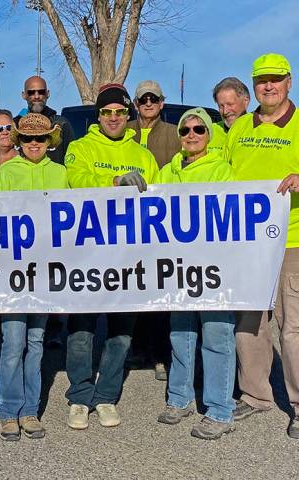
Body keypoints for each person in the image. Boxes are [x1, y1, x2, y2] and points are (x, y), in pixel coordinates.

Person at [64, 83, 158, 430]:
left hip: (127, 255)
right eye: (107, 112)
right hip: (87, 253)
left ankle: (105, 396)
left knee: (121, 332)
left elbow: (159, 196)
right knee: (82, 329)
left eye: (120, 112)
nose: (114, 118)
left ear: (128, 115)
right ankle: (79, 395)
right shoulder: (80, 147)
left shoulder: (143, 154)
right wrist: (116, 180)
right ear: (98, 115)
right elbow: (77, 181)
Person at [227, 53, 299, 439]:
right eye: (261, 80)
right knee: (250, 323)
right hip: (246, 244)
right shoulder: (239, 127)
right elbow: (219, 173)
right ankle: (256, 396)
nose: (268, 86)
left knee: (293, 328)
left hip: (291, 242)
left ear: (289, 82)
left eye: (275, 79)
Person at [155, 108, 237, 440]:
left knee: (217, 334)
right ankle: (180, 398)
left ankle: (219, 410)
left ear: (209, 134)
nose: (191, 135)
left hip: (213, 267)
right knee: (181, 332)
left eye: (199, 129)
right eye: (185, 130)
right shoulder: (169, 171)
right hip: (178, 267)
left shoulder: (222, 170)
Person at [0, 113, 68, 440]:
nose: (34, 144)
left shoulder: (60, 172)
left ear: (49, 141)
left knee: (36, 342)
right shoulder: (7, 171)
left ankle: (30, 410)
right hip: (13, 272)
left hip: (45, 273)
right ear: (19, 142)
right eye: (27, 139)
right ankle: (9, 410)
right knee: (13, 342)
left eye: (40, 139)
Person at [126, 80, 179, 380]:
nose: (148, 103)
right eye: (143, 98)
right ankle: (135, 349)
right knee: (132, 289)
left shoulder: (175, 134)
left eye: (153, 98)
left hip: (161, 225)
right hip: (126, 228)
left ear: (162, 102)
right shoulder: (124, 131)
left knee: (159, 290)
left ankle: (159, 354)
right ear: (136, 103)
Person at [13, 76, 74, 164]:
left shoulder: (61, 124)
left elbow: (71, 159)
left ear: (48, 94)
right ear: (24, 95)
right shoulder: (15, 125)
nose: (37, 96)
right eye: (31, 93)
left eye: (41, 92)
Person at [208, 77, 251, 153]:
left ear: (246, 101)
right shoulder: (208, 132)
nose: (225, 111)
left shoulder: (259, 130)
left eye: (230, 104)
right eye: (221, 106)